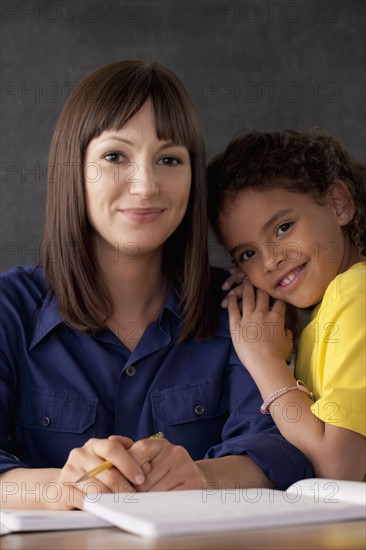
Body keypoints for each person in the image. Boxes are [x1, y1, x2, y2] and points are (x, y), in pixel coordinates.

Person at [0, 62, 312, 510]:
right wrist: (60, 486)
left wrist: (199, 476)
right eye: (115, 156)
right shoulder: (10, 309)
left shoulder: (240, 309)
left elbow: (281, 452)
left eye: (169, 160)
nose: (145, 186)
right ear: (74, 169)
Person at [207, 129, 366, 480]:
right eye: (248, 254)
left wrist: (264, 360)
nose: (270, 261)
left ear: (340, 203)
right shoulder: (330, 308)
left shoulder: (356, 296)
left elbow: (339, 468)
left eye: (283, 228)